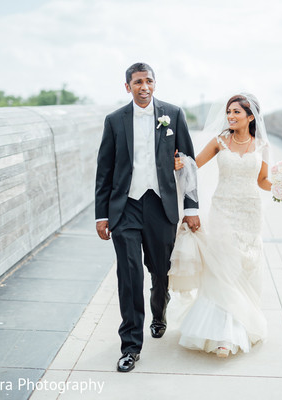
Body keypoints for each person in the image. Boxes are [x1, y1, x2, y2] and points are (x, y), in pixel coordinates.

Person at [95, 62, 200, 372]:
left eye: (149, 81)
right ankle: (130, 346)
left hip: (161, 205)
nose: (144, 87)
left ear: (155, 84)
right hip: (125, 207)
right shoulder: (114, 121)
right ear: (127, 87)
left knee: (159, 270)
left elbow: (189, 162)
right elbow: (105, 170)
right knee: (129, 276)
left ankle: (159, 312)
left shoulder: (173, 114)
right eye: (138, 82)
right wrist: (101, 215)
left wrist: (191, 207)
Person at [172, 93, 272, 357]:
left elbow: (263, 180)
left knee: (244, 267)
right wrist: (178, 162)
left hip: (249, 211)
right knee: (222, 268)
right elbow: (193, 164)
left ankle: (239, 326)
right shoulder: (219, 142)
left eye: (237, 112)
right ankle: (223, 336)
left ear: (251, 117)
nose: (230, 116)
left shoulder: (262, 145)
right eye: (229, 112)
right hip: (222, 210)